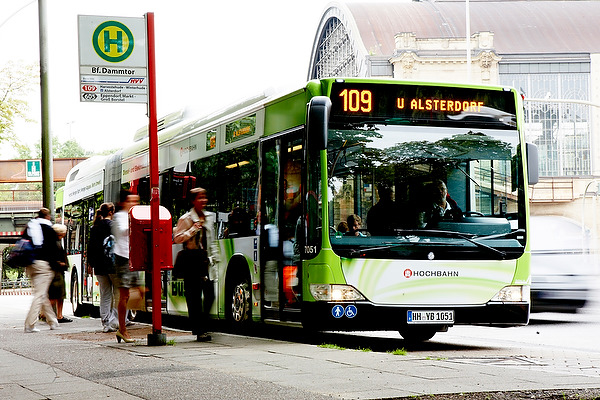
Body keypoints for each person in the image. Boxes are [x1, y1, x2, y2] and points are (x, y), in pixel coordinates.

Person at [173, 187, 220, 342]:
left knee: (210, 294)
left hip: (206, 259)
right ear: (193, 201)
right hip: (191, 259)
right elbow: (177, 238)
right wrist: (192, 230)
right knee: (194, 297)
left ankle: (202, 324)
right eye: (200, 198)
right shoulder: (186, 219)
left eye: (204, 197)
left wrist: (215, 257)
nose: (203, 200)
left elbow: (212, 239)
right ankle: (200, 330)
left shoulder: (209, 217)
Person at [24, 208, 60, 333]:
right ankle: (30, 324)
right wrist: (56, 266)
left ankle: (52, 321)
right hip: (43, 265)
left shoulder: (30, 226)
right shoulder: (49, 229)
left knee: (42, 293)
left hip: (30, 264)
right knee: (39, 294)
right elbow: (54, 250)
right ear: (48, 217)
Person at [111, 191, 140, 343]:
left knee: (136, 292)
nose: (134, 204)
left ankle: (123, 327)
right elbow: (123, 231)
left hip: (132, 257)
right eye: (131, 201)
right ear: (123, 203)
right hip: (122, 257)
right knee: (124, 295)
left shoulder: (133, 215)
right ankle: (122, 329)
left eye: (136, 201)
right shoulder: (119, 217)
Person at [88, 202, 119, 332]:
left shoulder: (94, 228)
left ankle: (105, 322)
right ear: (111, 213)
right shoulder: (114, 226)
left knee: (105, 294)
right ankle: (115, 321)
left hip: (99, 266)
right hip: (113, 265)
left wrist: (91, 264)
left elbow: (91, 248)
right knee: (118, 293)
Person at [48, 223, 71, 323]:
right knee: (55, 294)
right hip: (56, 271)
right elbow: (52, 257)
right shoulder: (54, 243)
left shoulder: (55, 241)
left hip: (58, 271)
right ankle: (52, 315)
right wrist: (60, 263)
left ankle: (58, 315)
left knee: (59, 295)